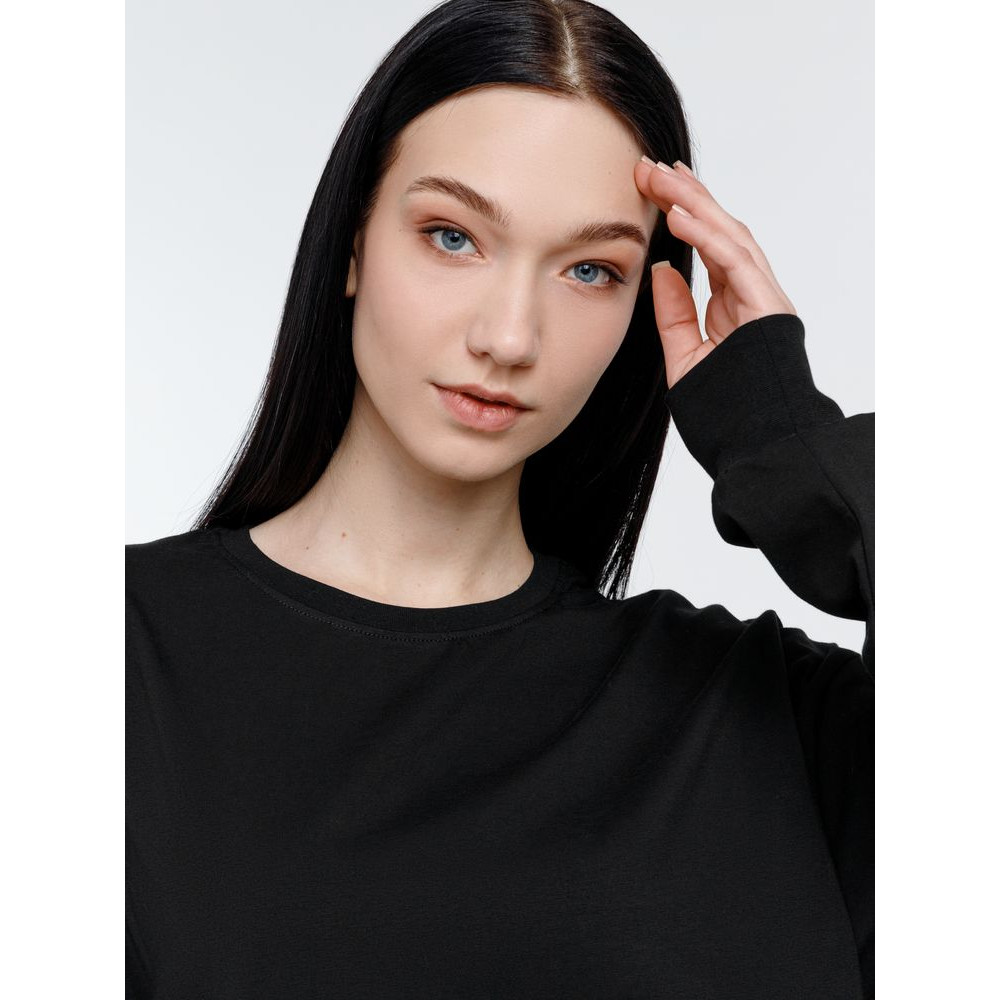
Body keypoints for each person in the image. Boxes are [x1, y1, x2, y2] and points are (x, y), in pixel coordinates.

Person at [126, 0, 874, 997]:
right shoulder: (113, 660)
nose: (510, 336)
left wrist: (785, 441)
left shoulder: (767, 726)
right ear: (352, 243)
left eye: (590, 269)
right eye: (452, 236)